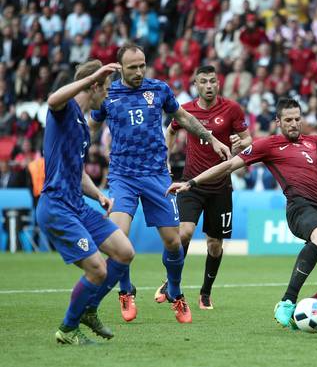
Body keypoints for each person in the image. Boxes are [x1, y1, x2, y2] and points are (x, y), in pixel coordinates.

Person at [166, 91, 317, 329]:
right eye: (288, 120)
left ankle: (302, 313)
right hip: (299, 207)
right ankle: (287, 301)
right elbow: (229, 165)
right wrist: (191, 182)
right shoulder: (267, 146)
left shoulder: (313, 142)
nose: (294, 124)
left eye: (297, 119)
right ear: (278, 122)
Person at [89, 43, 230, 324]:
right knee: (118, 238)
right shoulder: (108, 94)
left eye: (142, 65)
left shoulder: (159, 89)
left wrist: (211, 138)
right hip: (122, 177)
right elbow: (90, 127)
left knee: (173, 241)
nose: (140, 71)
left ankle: (175, 291)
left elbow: (184, 117)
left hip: (157, 176)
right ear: (120, 68)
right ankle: (126, 290)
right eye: (133, 67)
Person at [37, 60, 135, 345]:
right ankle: (68, 329)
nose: (106, 95)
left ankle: (89, 309)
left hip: (77, 205)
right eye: (104, 88)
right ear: (93, 86)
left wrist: (99, 195)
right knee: (97, 269)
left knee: (124, 251)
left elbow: (77, 174)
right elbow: (53, 98)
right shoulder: (63, 110)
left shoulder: (82, 125)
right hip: (56, 206)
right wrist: (94, 75)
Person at [154, 65, 251, 310]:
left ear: (218, 84)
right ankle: (170, 282)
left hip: (220, 185)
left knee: (215, 245)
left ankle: (205, 292)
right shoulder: (185, 110)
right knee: (184, 233)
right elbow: (170, 132)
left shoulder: (232, 109)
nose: (209, 86)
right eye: (203, 81)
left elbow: (249, 138)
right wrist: (165, 160)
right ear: (196, 85)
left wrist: (242, 142)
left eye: (212, 81)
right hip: (190, 184)